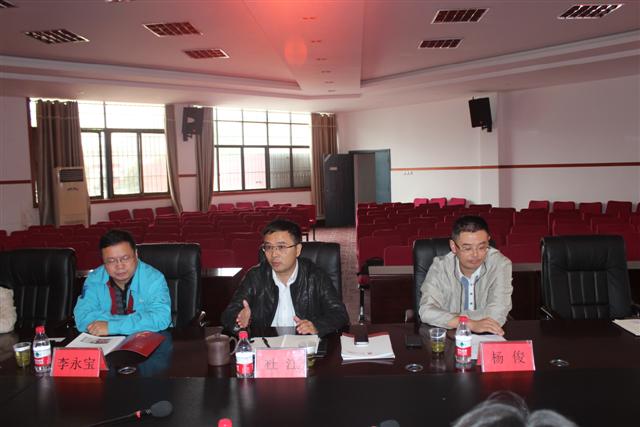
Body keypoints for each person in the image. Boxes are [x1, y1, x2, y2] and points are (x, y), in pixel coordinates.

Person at [221, 219, 349, 337]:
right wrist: (239, 320)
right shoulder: (255, 277)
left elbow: (339, 314)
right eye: (268, 247)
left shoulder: (315, 276)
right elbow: (228, 315)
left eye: (281, 247)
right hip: (266, 345)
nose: (274, 254)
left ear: (298, 249)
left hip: (304, 344)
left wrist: (316, 326)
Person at [418, 215, 512, 335]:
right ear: (453, 246)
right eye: (467, 248)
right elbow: (426, 311)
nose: (475, 254)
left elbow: (497, 314)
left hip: (487, 335)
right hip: (450, 337)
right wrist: (470, 324)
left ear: (488, 241)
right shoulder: (440, 267)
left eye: (482, 247)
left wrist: (450, 318)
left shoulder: (500, 264)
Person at [74, 229, 171, 336]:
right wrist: (138, 321)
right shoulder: (94, 279)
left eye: (125, 258)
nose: (119, 266)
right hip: (106, 340)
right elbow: (82, 317)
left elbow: (161, 318)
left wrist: (111, 326)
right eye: (111, 260)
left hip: (147, 339)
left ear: (136, 254)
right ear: (103, 261)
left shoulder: (154, 279)